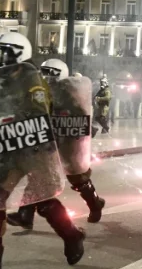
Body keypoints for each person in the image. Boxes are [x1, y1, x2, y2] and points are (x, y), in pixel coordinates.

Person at [0, 34, 85, 269]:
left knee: (43, 200)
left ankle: (72, 236)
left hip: (34, 149)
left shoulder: (32, 80)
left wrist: (12, 119)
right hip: (10, 146)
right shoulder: (3, 81)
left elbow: (39, 113)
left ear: (17, 54)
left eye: (2, 52)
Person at [7, 58, 106, 230]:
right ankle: (25, 215)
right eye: (43, 73)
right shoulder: (40, 92)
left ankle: (95, 203)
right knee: (38, 176)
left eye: (50, 73)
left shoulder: (67, 95)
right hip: (47, 142)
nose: (45, 77)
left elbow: (80, 117)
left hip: (66, 143)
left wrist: (71, 126)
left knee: (78, 179)